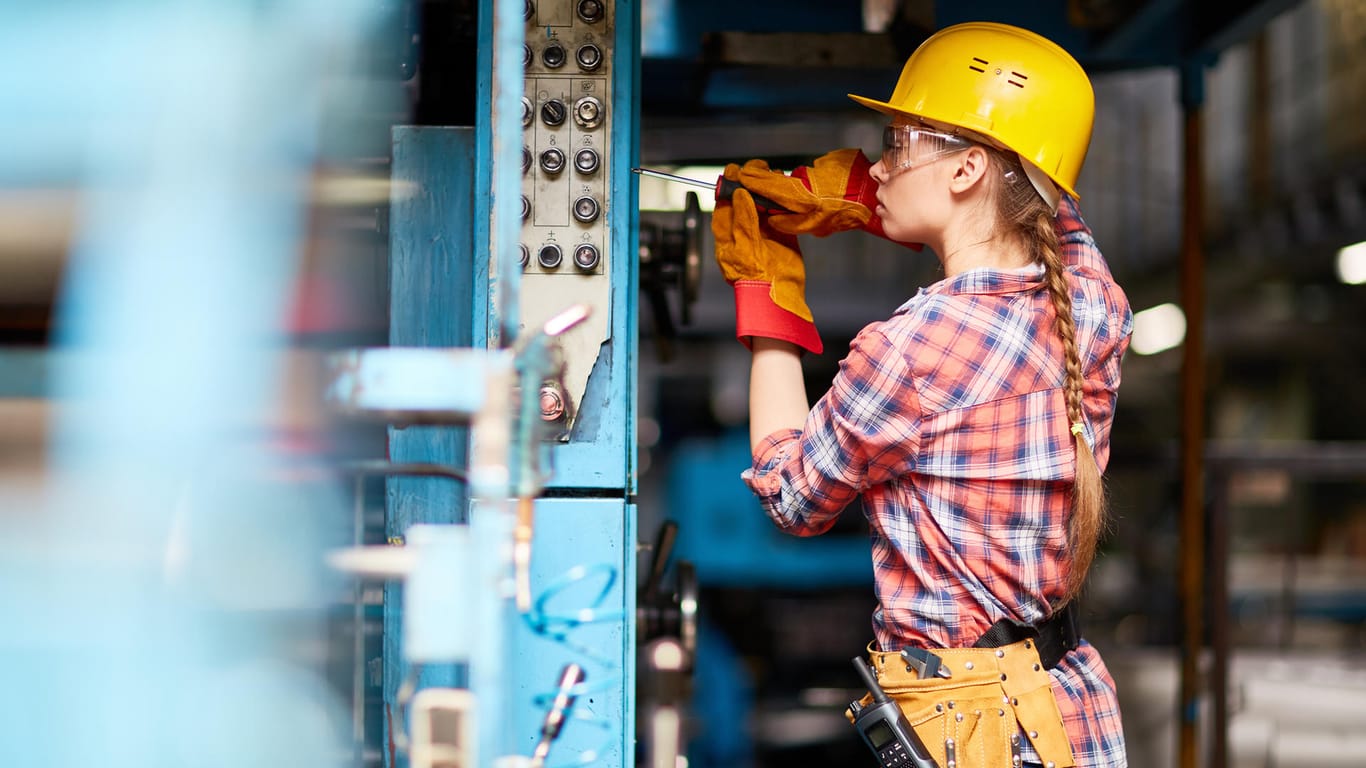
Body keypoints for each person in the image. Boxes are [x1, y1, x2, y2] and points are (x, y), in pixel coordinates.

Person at [709, 21, 1131, 768]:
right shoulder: (1094, 302)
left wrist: (765, 287)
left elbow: (792, 495)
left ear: (968, 168)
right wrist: (869, 196)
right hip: (1064, 713)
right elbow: (1045, 209)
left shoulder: (911, 348)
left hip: (969, 730)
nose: (875, 164)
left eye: (897, 142)